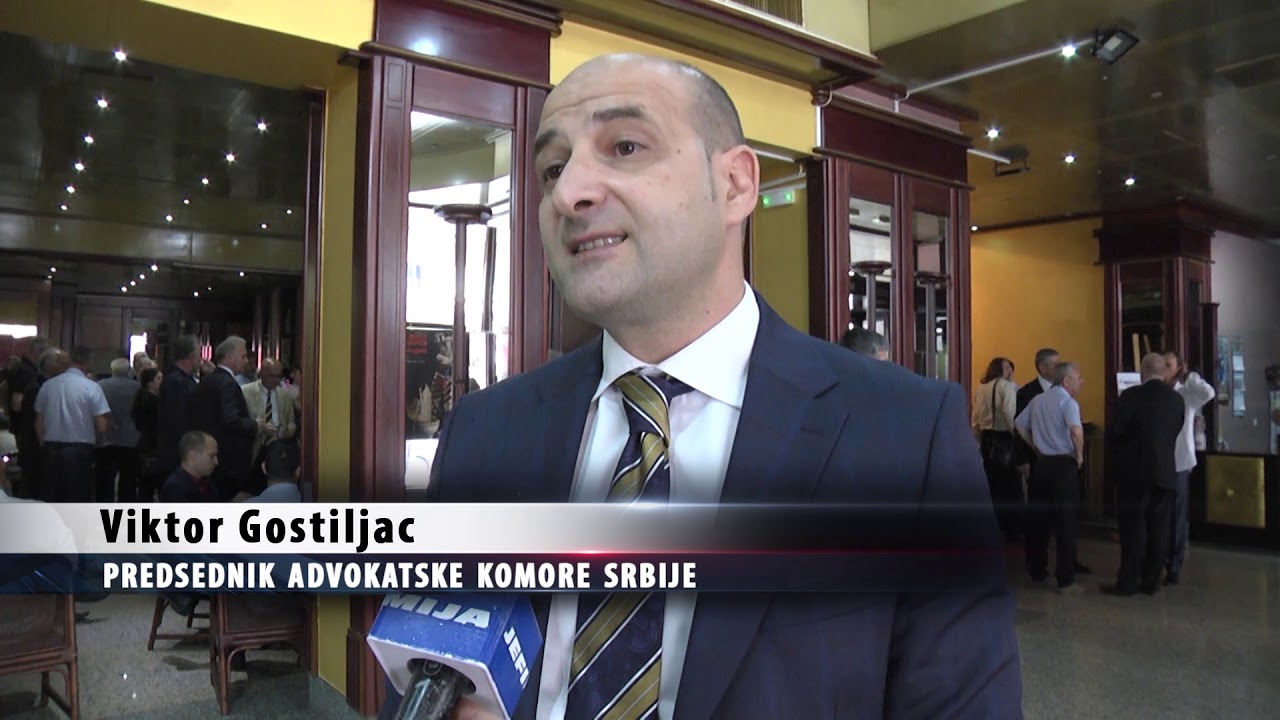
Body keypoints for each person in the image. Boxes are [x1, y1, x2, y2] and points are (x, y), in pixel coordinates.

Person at [380, 53, 1020, 720]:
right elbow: (422, 673)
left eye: (625, 147)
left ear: (736, 184)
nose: (569, 193)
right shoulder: (485, 432)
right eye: (552, 168)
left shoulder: (905, 438)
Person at [1102, 353, 1185, 597]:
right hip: (1165, 472)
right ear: (1164, 372)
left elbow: (1116, 432)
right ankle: (1152, 581)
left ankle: (1127, 583)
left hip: (1134, 473)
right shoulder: (1176, 399)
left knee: (1133, 529)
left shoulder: (1131, 396)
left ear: (1142, 372)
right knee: (1159, 529)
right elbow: (1176, 429)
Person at [1015, 361, 1086, 594]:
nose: (1081, 382)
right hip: (1063, 465)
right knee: (1066, 523)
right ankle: (1065, 579)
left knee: (1039, 520)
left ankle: (1037, 570)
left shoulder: (1038, 400)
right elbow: (1076, 431)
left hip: (1042, 465)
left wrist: (1035, 445)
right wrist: (1079, 455)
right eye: (1078, 377)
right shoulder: (1068, 403)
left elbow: (1019, 424)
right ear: (1066, 381)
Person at [189, 336, 269, 500]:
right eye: (243, 356)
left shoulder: (209, 379)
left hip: (211, 451)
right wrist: (255, 425)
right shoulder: (227, 383)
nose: (246, 361)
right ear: (230, 357)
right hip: (228, 458)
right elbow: (231, 419)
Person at [1162, 350, 1214, 586]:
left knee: (1176, 514)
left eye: (1169, 365)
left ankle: (1174, 564)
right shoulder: (1155, 392)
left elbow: (1208, 393)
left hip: (1179, 461)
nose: (1165, 369)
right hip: (1159, 461)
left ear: (1178, 368)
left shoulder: (1186, 394)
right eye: (1162, 364)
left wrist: (1190, 376)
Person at [972, 356, 1022, 542]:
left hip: (987, 439)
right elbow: (1009, 413)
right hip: (1004, 439)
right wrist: (1017, 434)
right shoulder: (1006, 386)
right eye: (1007, 367)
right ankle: (1011, 529)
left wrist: (977, 443)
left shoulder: (981, 389)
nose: (1010, 371)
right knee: (1010, 486)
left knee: (992, 484)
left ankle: (992, 526)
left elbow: (975, 419)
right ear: (999, 369)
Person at [159, 430, 219, 503]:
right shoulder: (175, 489)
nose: (216, 462)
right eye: (212, 456)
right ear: (193, 455)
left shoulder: (206, 484)